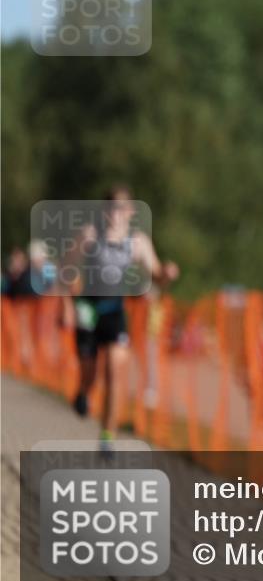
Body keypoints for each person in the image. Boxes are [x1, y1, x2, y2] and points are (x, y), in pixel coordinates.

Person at [59, 186, 179, 451]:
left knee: (115, 367)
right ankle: (83, 392)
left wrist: (166, 274)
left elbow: (156, 273)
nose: (117, 213)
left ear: (131, 211)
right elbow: (65, 269)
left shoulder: (137, 242)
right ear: (105, 210)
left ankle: (107, 436)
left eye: (123, 208)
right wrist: (66, 304)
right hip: (88, 309)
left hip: (114, 310)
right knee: (90, 372)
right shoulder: (89, 235)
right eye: (112, 207)